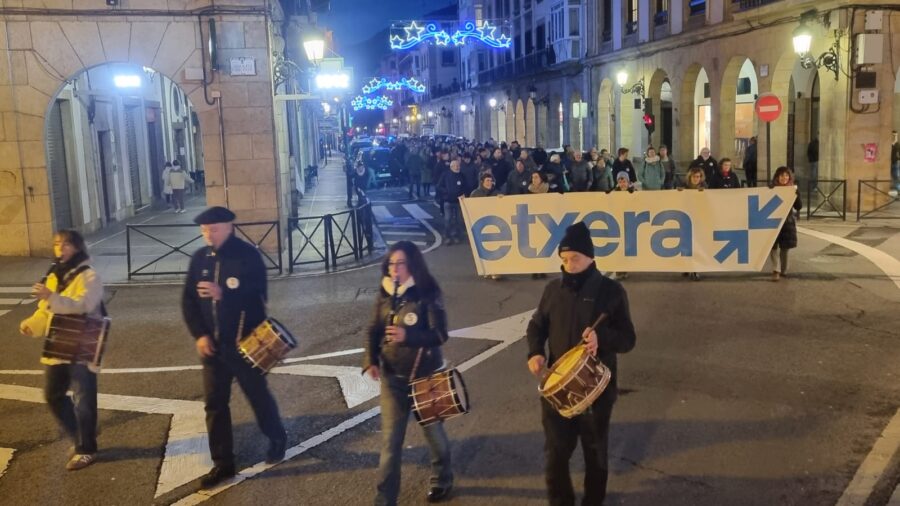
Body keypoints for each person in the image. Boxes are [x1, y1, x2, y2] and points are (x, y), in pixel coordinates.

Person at [526, 222, 637, 506]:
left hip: (596, 392)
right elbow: (536, 326)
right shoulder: (553, 289)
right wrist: (535, 352)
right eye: (564, 259)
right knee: (555, 455)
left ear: (590, 257)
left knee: (595, 455)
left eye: (575, 258)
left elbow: (628, 339)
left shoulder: (611, 291)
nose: (569, 265)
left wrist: (602, 338)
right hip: (557, 389)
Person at [181, 206, 287, 489]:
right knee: (215, 404)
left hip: (245, 343)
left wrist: (225, 293)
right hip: (213, 348)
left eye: (214, 229)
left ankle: (277, 437)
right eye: (204, 230)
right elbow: (188, 301)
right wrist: (200, 335)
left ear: (229, 227)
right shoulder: (200, 258)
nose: (208, 235)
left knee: (257, 395)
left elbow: (258, 296)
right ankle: (223, 464)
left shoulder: (248, 256)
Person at [364, 241, 454, 505]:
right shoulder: (386, 292)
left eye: (400, 263)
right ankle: (385, 499)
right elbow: (373, 329)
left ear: (412, 264)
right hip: (392, 377)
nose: (395, 269)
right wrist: (371, 359)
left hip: (425, 377)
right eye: (391, 263)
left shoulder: (428, 291)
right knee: (390, 443)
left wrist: (408, 336)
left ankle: (442, 479)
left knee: (434, 436)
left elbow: (440, 334)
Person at [19, 229, 104, 471]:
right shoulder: (54, 275)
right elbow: (46, 309)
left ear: (78, 247)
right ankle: (81, 433)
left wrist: (52, 296)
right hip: (58, 345)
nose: (61, 249)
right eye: (57, 244)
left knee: (83, 399)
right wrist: (32, 324)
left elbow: (84, 305)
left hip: (83, 344)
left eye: (66, 244)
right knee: (53, 395)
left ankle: (86, 449)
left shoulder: (89, 276)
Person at [769, 167, 803, 282]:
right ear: (777, 177)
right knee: (773, 247)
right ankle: (776, 270)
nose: (784, 178)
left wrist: (797, 195)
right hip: (772, 221)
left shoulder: (792, 189)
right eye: (782, 175)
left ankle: (783, 270)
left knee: (785, 248)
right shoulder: (771, 188)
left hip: (787, 222)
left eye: (786, 175)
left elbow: (798, 207)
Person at [680, 167, 707, 281]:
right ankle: (686, 267)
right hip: (685, 219)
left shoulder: (704, 188)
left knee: (697, 245)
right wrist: (678, 193)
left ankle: (695, 269)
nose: (696, 179)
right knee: (685, 244)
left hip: (698, 220)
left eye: (698, 177)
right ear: (690, 177)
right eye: (694, 177)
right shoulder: (683, 187)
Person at [435, 160, 468, 245]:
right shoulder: (445, 175)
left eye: (458, 165)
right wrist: (447, 192)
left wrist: (464, 194)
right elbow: (439, 186)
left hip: (458, 201)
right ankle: (447, 236)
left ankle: (456, 235)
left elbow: (465, 186)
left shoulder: (462, 175)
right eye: (455, 166)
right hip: (448, 201)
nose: (457, 167)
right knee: (448, 219)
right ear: (451, 167)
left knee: (458, 220)